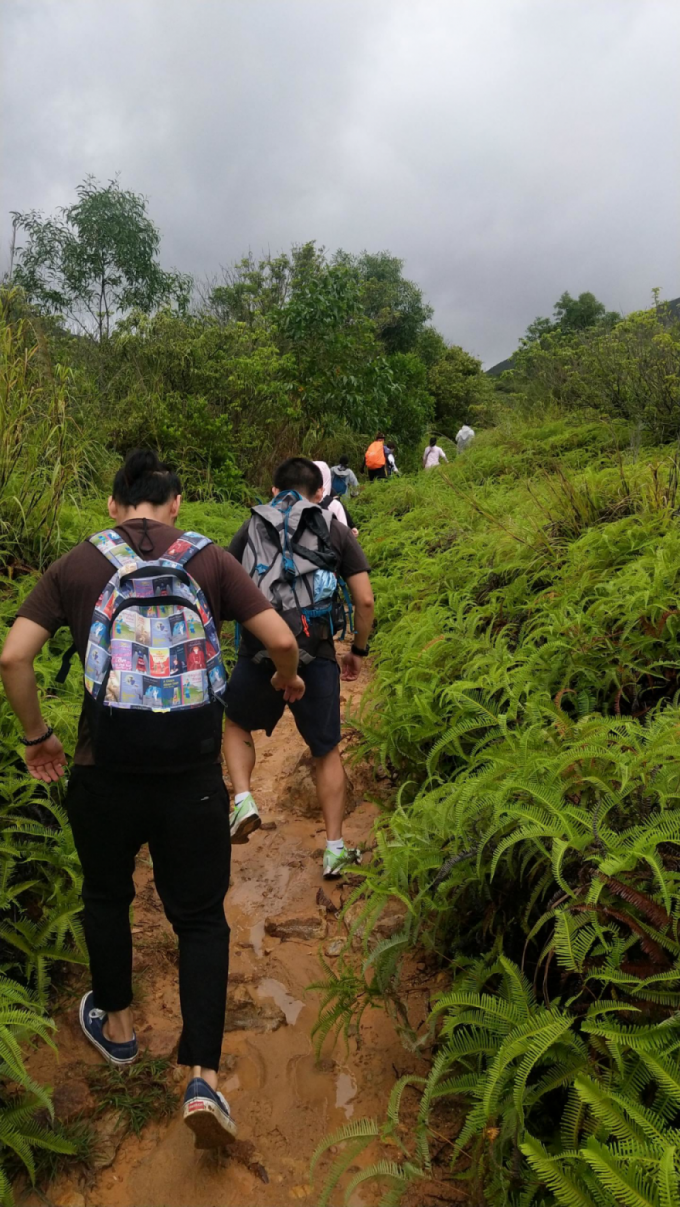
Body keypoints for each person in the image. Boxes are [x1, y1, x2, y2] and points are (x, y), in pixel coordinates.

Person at [0, 449, 303, 1151]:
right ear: (176, 505)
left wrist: (38, 736)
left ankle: (120, 1028)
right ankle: (201, 1076)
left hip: (102, 771)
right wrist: (287, 680)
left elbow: (14, 657)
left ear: (113, 505)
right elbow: (282, 639)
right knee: (199, 919)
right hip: (193, 778)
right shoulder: (209, 562)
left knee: (106, 896)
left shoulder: (76, 564)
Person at [223, 457, 375, 879]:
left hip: (259, 650)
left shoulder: (252, 525)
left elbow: (226, 584)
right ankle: (334, 848)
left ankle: (243, 801)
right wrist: (358, 651)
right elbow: (364, 600)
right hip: (317, 653)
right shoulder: (333, 526)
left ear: (273, 490)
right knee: (325, 752)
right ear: (320, 493)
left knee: (236, 723)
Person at [315, 460, 358, 536]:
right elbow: (355, 484)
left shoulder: (333, 470)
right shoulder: (349, 472)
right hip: (345, 495)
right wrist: (352, 525)